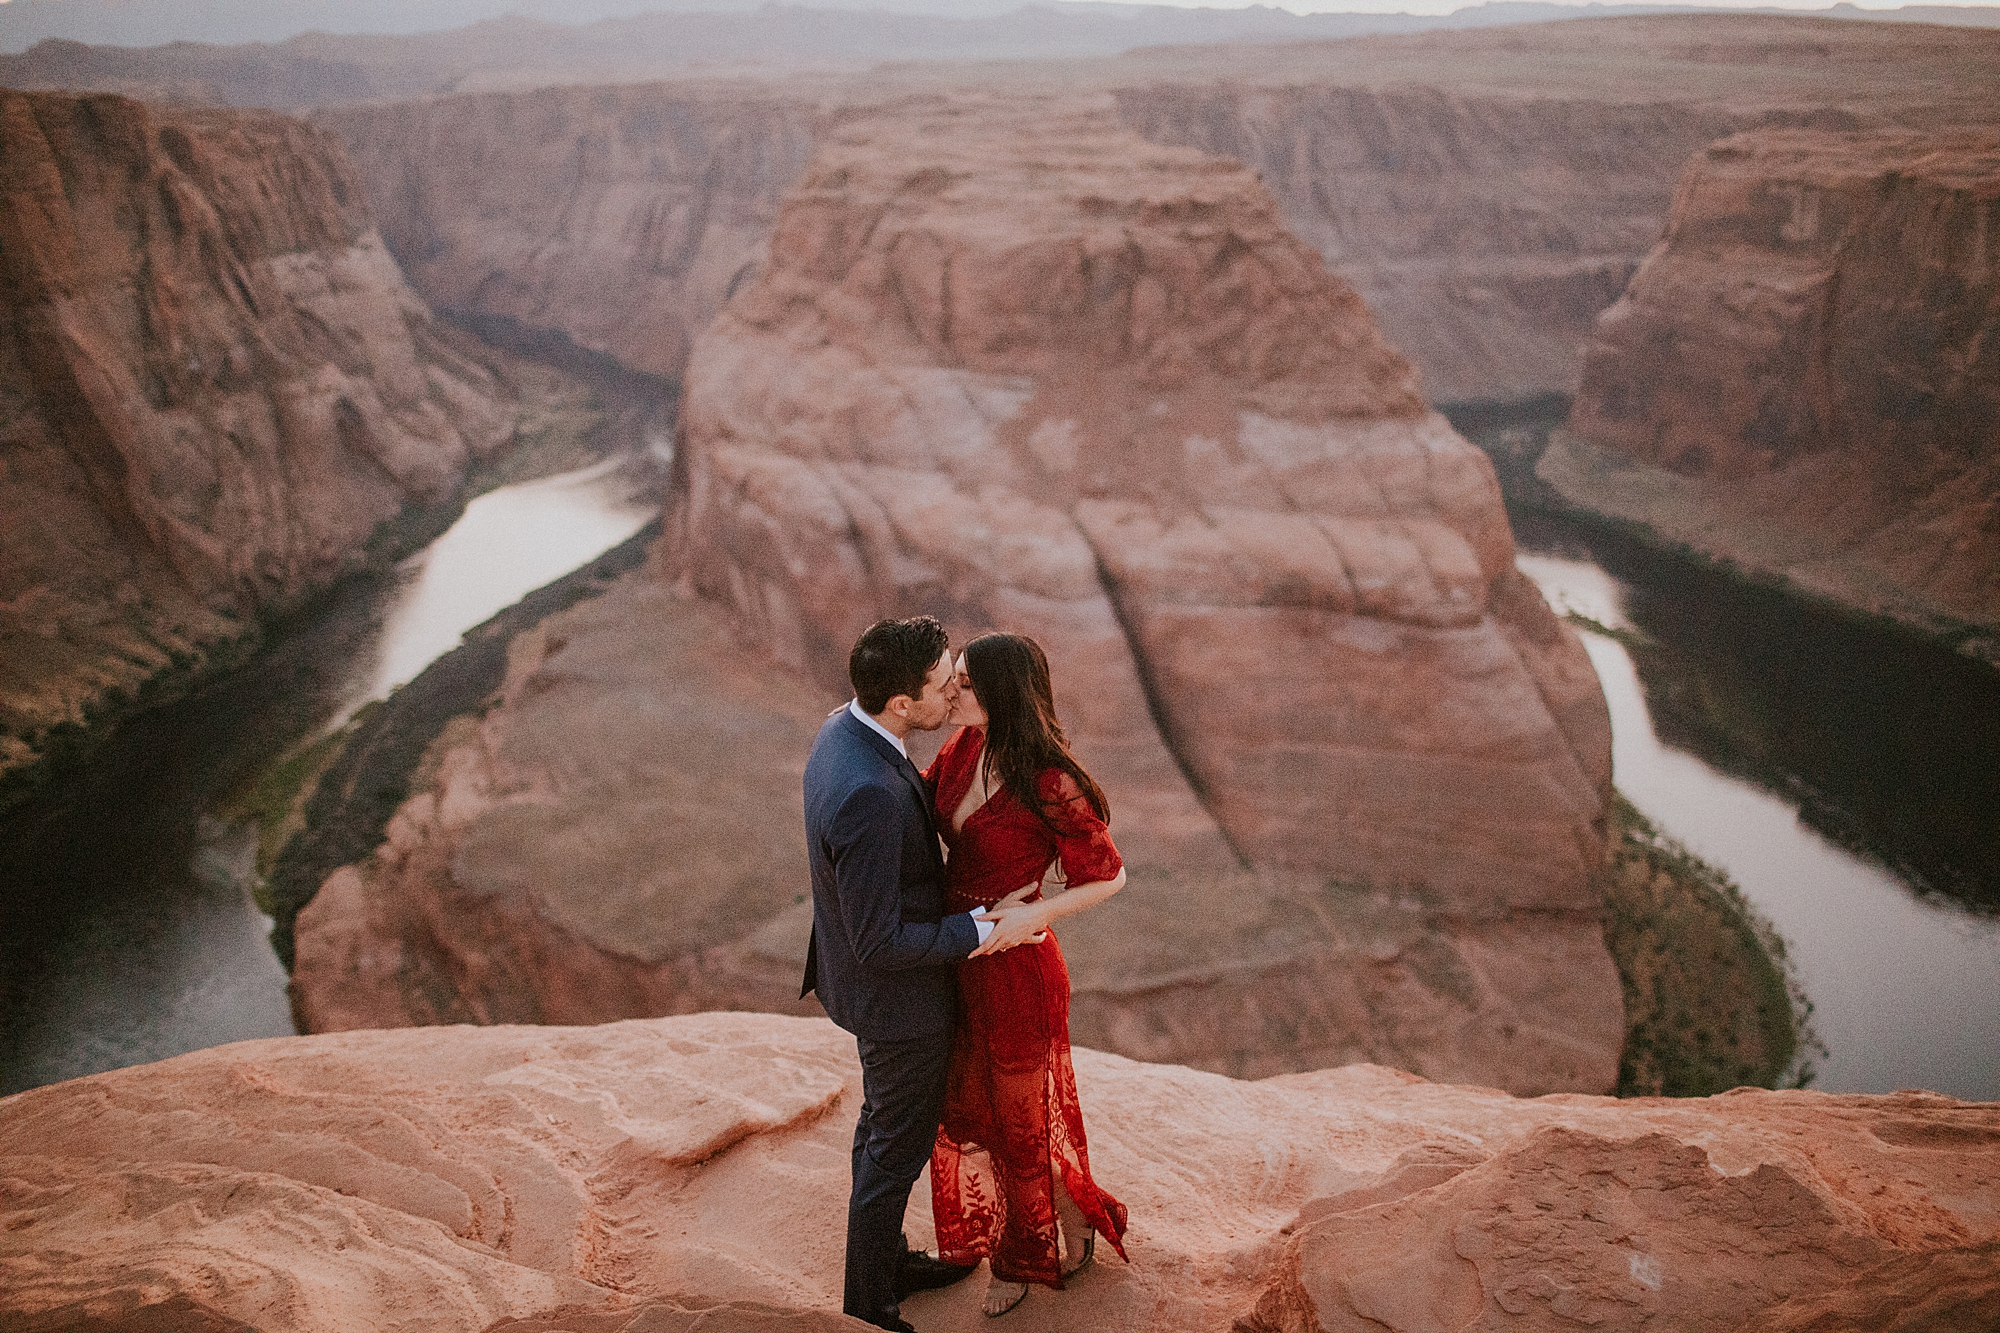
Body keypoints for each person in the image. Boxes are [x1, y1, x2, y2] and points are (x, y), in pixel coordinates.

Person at [800, 615, 1042, 1332]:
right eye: (942, 685)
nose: (953, 692)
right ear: (902, 703)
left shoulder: (842, 732)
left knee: (881, 1127)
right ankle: (868, 1304)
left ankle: (887, 1260)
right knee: (893, 1152)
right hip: (896, 1003)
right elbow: (880, 941)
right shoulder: (869, 789)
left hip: (867, 991)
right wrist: (977, 927)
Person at [922, 632, 1131, 1318]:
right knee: (971, 1107)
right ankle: (1066, 1213)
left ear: (1002, 695)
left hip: (1017, 969)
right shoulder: (962, 748)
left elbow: (1109, 874)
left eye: (965, 685)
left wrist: (1030, 913)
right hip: (960, 957)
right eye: (952, 679)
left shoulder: (1050, 778)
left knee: (1018, 1120)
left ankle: (1030, 1255)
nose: (952, 692)